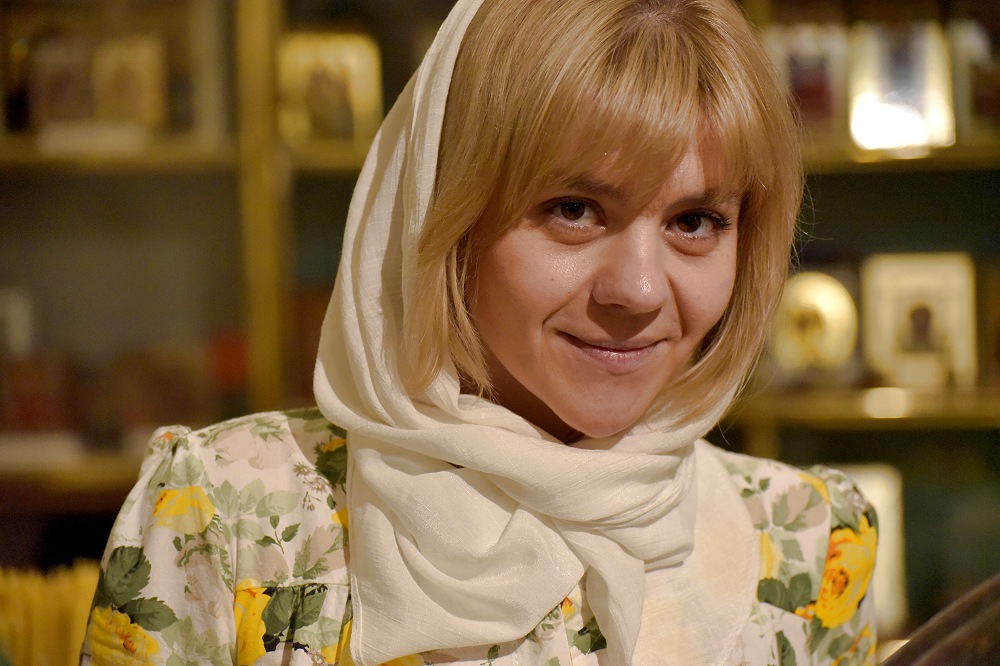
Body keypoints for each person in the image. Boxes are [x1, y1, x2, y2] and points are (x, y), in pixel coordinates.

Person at [81, 0, 878, 664]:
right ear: (442, 213)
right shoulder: (226, 518)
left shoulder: (811, 540)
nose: (638, 290)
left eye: (696, 221)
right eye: (574, 210)